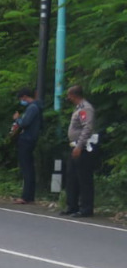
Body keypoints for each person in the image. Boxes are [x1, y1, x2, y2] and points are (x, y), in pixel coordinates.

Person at [61, 85, 98, 218]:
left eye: (69, 95)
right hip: (75, 145)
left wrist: (79, 146)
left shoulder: (85, 108)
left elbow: (87, 128)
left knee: (84, 178)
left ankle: (86, 208)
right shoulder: (78, 108)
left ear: (73, 95)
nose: (68, 98)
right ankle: (72, 206)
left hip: (83, 147)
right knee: (72, 177)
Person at [10, 88, 41, 204]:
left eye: (21, 98)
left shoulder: (32, 108)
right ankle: (29, 196)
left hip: (27, 140)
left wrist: (17, 119)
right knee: (29, 168)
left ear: (24, 97)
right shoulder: (35, 107)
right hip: (30, 139)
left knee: (26, 168)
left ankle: (26, 196)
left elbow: (25, 123)